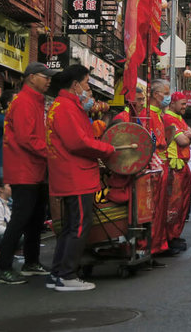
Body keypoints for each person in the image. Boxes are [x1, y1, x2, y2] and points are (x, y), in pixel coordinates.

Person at [46, 64, 115, 291]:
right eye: (86, 83)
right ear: (75, 85)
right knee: (78, 225)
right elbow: (77, 142)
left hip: (69, 173)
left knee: (69, 226)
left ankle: (58, 272)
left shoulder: (63, 105)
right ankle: (67, 275)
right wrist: (106, 149)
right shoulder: (66, 106)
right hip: (75, 175)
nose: (88, 88)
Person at [0, 62, 56, 285]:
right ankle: (4, 268)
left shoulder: (35, 101)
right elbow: (26, 138)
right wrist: (53, 152)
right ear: (30, 77)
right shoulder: (23, 102)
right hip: (24, 169)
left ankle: (31, 262)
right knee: (20, 218)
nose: (49, 80)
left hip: (35, 168)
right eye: (45, 76)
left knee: (35, 218)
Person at [163, 92, 191, 250]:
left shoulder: (179, 119)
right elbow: (184, 140)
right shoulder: (169, 118)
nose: (185, 106)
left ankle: (174, 235)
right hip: (174, 166)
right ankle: (170, 237)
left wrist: (190, 136)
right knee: (174, 204)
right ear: (172, 104)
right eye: (182, 104)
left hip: (182, 165)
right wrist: (189, 136)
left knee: (181, 203)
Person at [144, 79, 173, 258]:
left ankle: (160, 243)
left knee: (161, 208)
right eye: (166, 93)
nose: (167, 97)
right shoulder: (148, 116)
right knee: (154, 208)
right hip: (155, 168)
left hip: (162, 166)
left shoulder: (159, 116)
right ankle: (154, 245)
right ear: (156, 95)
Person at [0, 90, 15, 181]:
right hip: (1, 162)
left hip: (9, 162)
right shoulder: (1, 119)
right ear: (9, 103)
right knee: (5, 191)